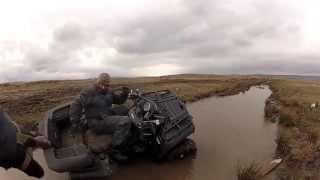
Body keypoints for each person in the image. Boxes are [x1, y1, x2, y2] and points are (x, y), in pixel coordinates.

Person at [69, 73, 131, 161]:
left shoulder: (109, 91)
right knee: (125, 121)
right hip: (96, 122)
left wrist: (125, 94)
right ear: (98, 82)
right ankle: (115, 149)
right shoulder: (88, 92)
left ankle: (127, 139)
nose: (104, 87)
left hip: (107, 116)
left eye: (107, 84)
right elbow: (76, 105)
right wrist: (74, 122)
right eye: (102, 84)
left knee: (125, 109)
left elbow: (119, 101)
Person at [0, 107, 51, 178]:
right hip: (14, 154)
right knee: (38, 172)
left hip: (16, 136)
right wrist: (34, 142)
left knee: (40, 138)